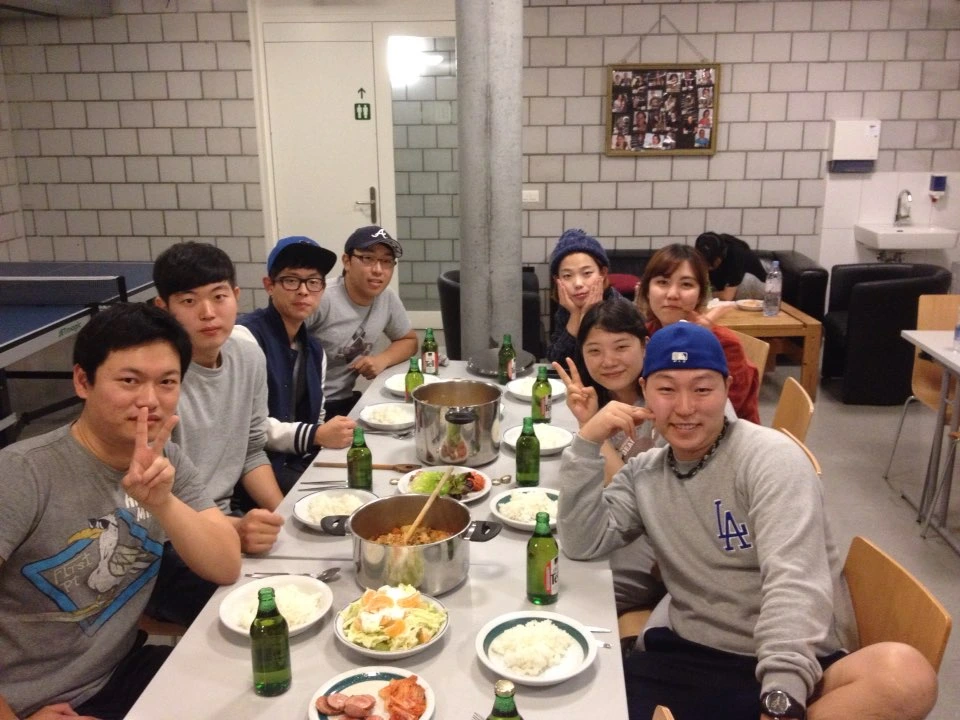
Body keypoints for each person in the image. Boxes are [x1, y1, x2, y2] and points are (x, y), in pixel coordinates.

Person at [557, 321, 938, 720]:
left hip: (779, 660)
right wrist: (587, 442)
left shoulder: (769, 460)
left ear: (726, 388)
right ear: (645, 391)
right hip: (690, 654)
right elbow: (584, 542)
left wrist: (780, 696)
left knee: (905, 674)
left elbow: (794, 582)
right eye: (666, 390)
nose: (684, 407)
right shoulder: (646, 472)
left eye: (702, 389)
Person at [0, 303, 241, 720]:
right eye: (129, 381)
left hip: (118, 672)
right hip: (31, 701)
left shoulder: (166, 462)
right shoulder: (22, 474)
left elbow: (225, 565)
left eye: (167, 382)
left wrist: (162, 502)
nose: (149, 400)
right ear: (83, 381)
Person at [151, 242, 284, 624]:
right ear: (164, 308)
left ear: (236, 296)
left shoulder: (247, 355)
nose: (208, 312)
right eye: (189, 301)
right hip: (165, 540)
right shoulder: (157, 381)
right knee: (264, 613)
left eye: (219, 296)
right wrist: (232, 530)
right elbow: (152, 498)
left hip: (225, 519)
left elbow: (252, 450)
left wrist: (284, 516)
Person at [552, 299, 666, 615]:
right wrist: (589, 422)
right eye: (594, 351)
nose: (609, 361)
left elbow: (633, 492)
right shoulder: (604, 400)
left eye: (621, 347)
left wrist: (591, 430)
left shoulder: (661, 406)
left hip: (651, 546)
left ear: (645, 345)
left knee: (563, 585)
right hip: (620, 524)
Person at [235, 236, 357, 494]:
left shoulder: (314, 350)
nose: (303, 291)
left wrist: (324, 437)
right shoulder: (245, 338)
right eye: (291, 280)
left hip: (296, 463)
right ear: (269, 285)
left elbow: (318, 416)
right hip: (252, 476)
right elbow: (244, 426)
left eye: (313, 282)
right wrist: (316, 435)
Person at [636, 243, 760, 423]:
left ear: (701, 294)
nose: (672, 294)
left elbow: (722, 416)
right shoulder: (642, 336)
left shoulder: (723, 344)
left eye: (686, 284)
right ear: (646, 290)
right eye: (662, 282)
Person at [307, 225, 418, 419]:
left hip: (343, 401)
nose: (378, 270)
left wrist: (381, 360)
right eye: (368, 258)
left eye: (386, 261)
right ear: (347, 261)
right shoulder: (322, 298)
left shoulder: (386, 297)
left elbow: (409, 340)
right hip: (307, 406)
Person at [545, 228, 619, 364]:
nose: (578, 284)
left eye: (587, 273)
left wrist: (590, 313)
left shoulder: (619, 307)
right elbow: (557, 360)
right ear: (557, 280)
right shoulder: (567, 307)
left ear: (602, 273)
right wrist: (575, 315)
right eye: (567, 276)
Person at [695, 231, 768, 301]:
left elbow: (727, 297)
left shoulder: (736, 255)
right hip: (728, 284)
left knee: (745, 283)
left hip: (761, 283)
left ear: (720, 256)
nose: (707, 267)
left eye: (710, 265)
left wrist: (704, 295)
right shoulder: (700, 258)